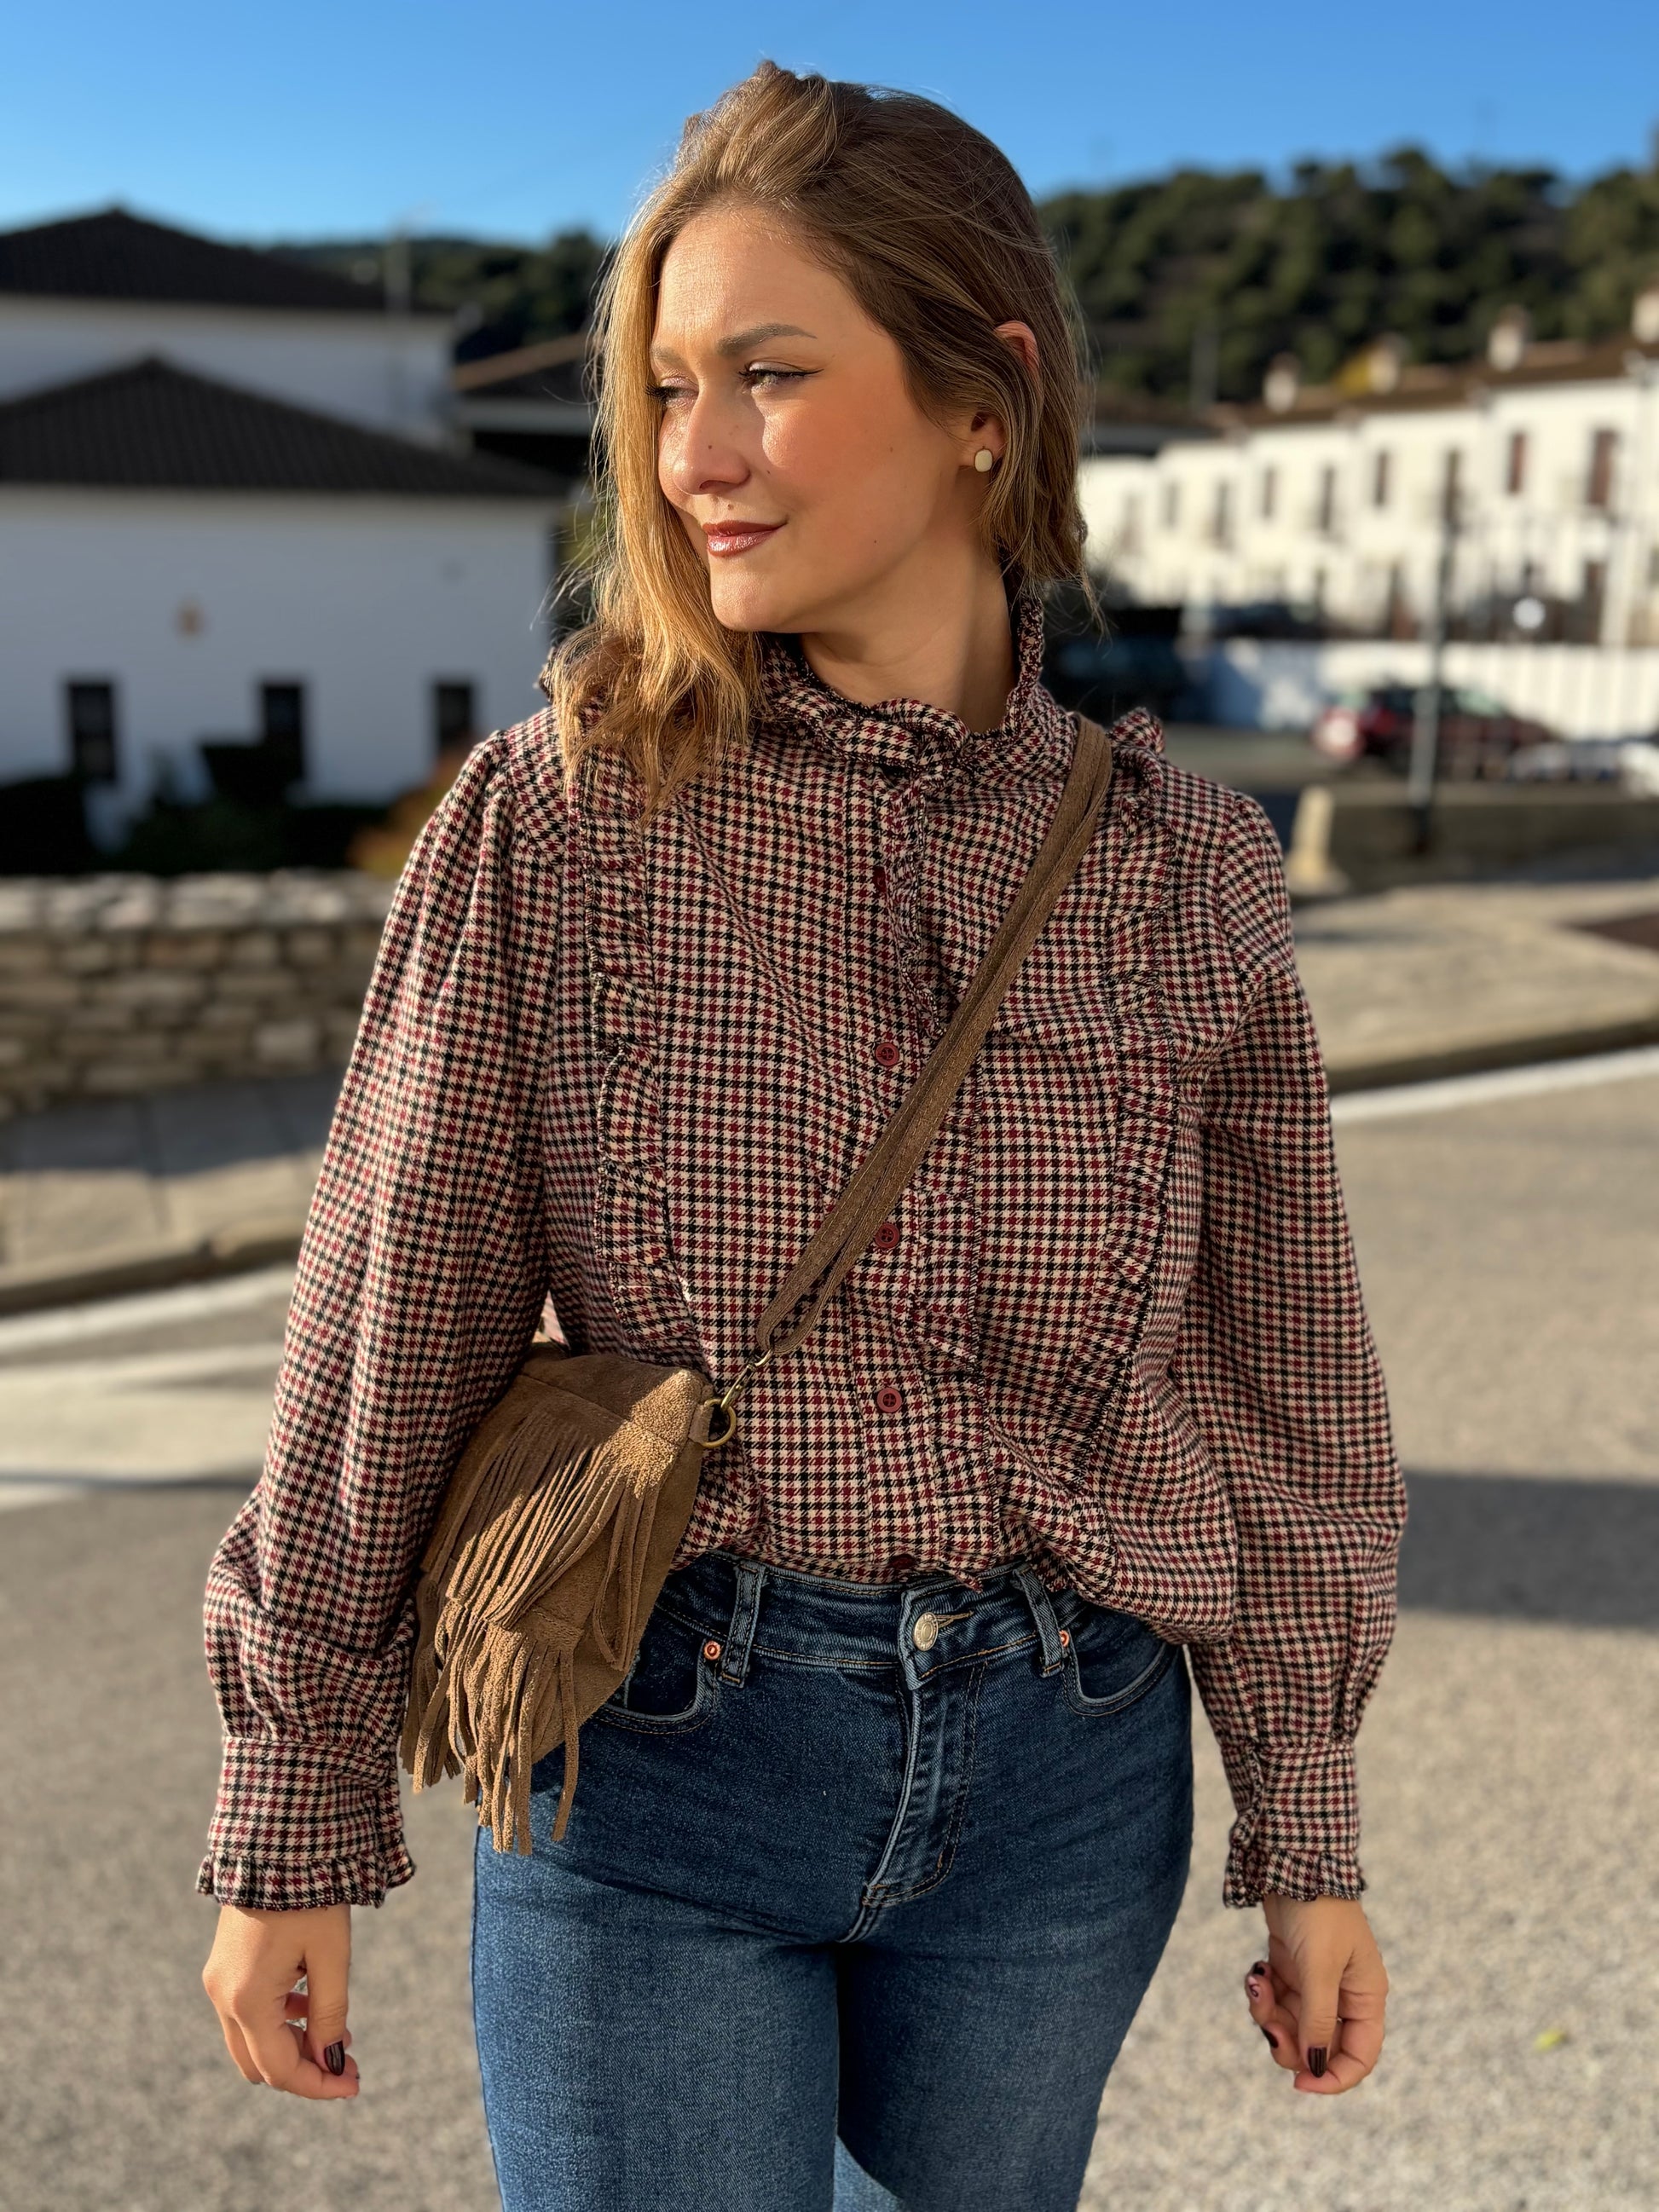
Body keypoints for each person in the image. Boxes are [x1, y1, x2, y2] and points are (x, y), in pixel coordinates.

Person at [200, 61, 1406, 2212]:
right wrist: (295, 1807)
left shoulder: (1188, 870)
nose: (694, 456)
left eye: (767, 373)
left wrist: (1303, 1830)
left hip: (1067, 1778)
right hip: (661, 1752)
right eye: (670, 390)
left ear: (981, 402)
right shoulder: (563, 822)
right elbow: (390, 1321)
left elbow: (1278, 1373)